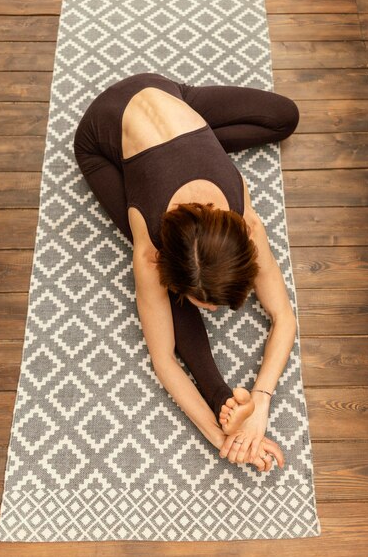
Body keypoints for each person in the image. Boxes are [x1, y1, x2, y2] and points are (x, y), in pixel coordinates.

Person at [74, 72, 299, 472]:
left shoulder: (243, 219)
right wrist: (224, 437)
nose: (211, 312)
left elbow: (284, 317)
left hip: (168, 93)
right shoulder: (151, 245)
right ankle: (220, 393)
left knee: (284, 117)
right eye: (203, 303)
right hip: (102, 133)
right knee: (166, 290)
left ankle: (191, 143)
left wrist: (261, 401)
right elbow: (163, 360)